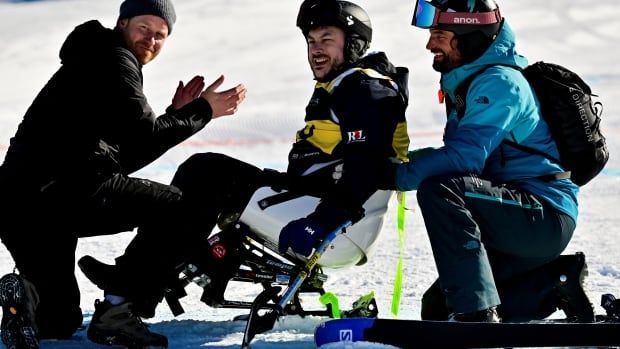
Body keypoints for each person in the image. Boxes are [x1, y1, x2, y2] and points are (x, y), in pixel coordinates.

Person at [78, 0, 410, 346]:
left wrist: (324, 219)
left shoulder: (364, 89)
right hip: (318, 204)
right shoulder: (343, 84)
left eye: (327, 40)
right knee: (206, 175)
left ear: (354, 44)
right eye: (311, 42)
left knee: (207, 175)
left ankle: (127, 291)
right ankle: (131, 284)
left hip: (335, 221)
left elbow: (368, 165)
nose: (316, 51)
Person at [0, 0, 246, 348]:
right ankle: (120, 308)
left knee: (58, 320)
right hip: (60, 194)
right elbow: (142, 136)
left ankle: (24, 302)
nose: (151, 40)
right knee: (177, 206)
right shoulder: (115, 59)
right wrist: (203, 110)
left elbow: (119, 154)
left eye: (161, 35)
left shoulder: (93, 57)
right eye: (144, 28)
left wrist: (179, 114)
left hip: (19, 204)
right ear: (122, 23)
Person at [388, 0, 593, 322]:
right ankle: (556, 281)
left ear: (469, 33)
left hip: (540, 214)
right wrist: (395, 163)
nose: (429, 44)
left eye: (439, 34)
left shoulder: (499, 83)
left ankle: (477, 317)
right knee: (438, 309)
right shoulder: (471, 82)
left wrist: (393, 176)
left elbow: (463, 159)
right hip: (512, 215)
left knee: (441, 190)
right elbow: (460, 155)